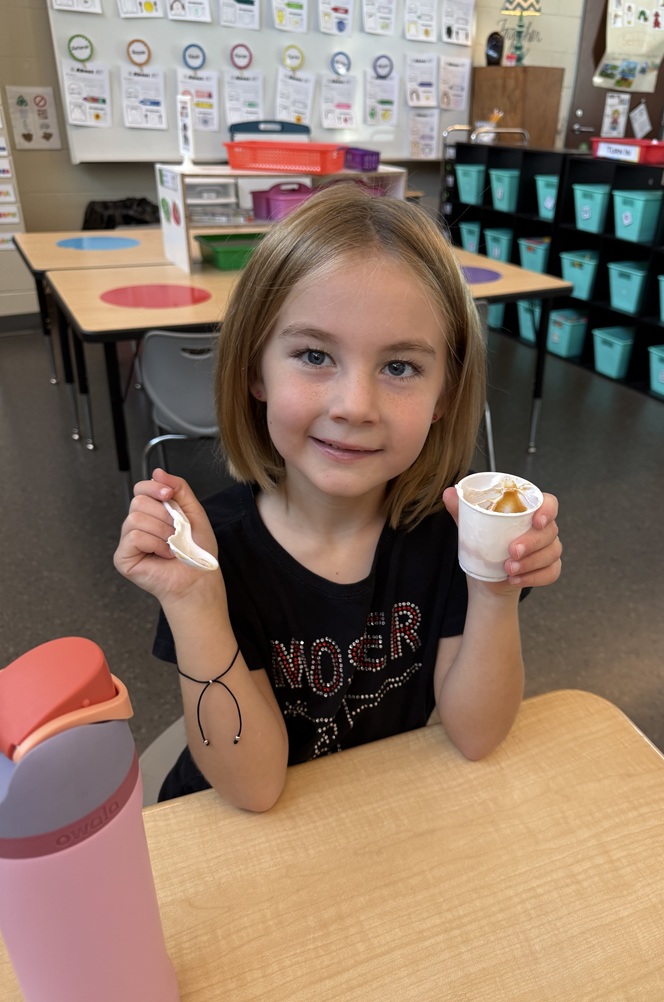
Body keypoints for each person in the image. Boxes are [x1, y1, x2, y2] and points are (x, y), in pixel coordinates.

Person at [114, 184, 562, 811]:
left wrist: (493, 587)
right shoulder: (210, 551)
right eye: (314, 355)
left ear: (444, 397)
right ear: (254, 369)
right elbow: (255, 788)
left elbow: (477, 735)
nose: (354, 406)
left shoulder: (448, 535)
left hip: (379, 814)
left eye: (400, 367)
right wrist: (196, 604)